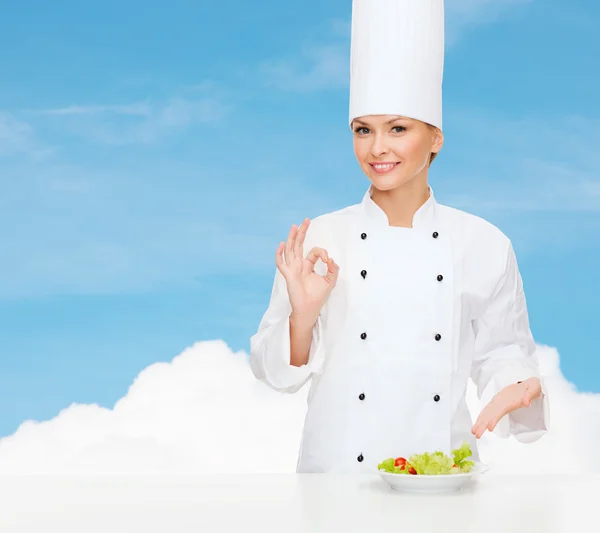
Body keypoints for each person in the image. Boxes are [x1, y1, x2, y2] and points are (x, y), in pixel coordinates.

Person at [249, 0, 549, 474]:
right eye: (363, 130)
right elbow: (274, 374)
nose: (377, 148)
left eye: (398, 128)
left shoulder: (484, 243)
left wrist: (520, 384)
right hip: (336, 482)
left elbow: (502, 352)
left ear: (436, 138)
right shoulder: (322, 237)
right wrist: (302, 319)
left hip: (442, 478)